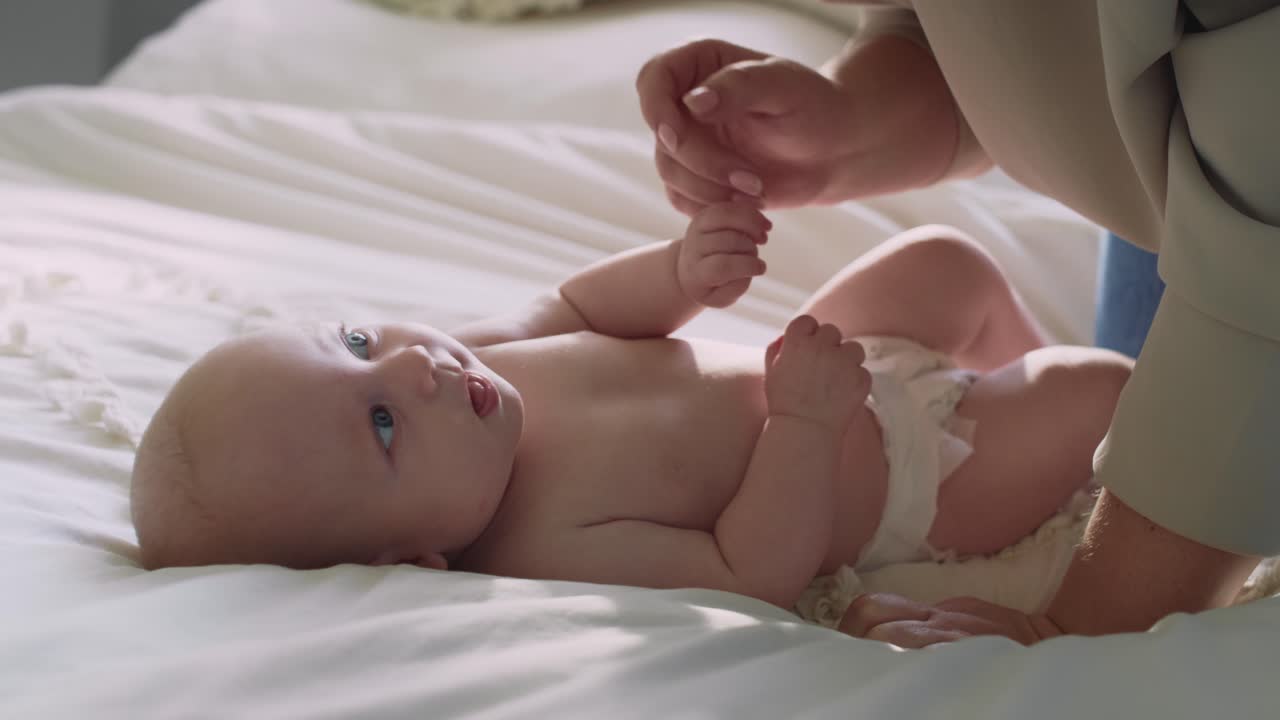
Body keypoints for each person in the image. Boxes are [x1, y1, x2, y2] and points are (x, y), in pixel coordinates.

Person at [633, 1, 1277, 644]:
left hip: (1249, 223)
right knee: (971, 287)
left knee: (1111, 403)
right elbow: (1009, 35)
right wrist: (856, 117)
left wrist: (1082, 626)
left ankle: (1083, 478)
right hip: (1202, 184)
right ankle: (1080, 470)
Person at [130, 200, 1130, 613]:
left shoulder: (470, 364)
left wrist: (675, 271)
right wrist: (804, 428)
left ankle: (1024, 390)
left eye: (356, 345)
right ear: (408, 559)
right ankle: (1056, 469)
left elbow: (573, 306)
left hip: (824, 365)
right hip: (908, 479)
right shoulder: (544, 539)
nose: (413, 370)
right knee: (1099, 392)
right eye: (382, 425)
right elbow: (751, 568)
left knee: (944, 260)